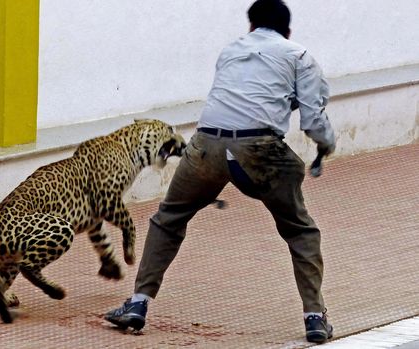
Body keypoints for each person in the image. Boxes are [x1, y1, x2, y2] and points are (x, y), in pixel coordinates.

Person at [105, 0, 335, 344]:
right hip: (260, 152)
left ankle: (138, 304)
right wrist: (325, 146)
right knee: (300, 231)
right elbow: (314, 119)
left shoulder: (230, 51)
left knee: (168, 220)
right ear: (288, 30)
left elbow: (239, 98)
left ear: (251, 26)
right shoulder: (299, 56)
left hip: (205, 146)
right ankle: (315, 317)